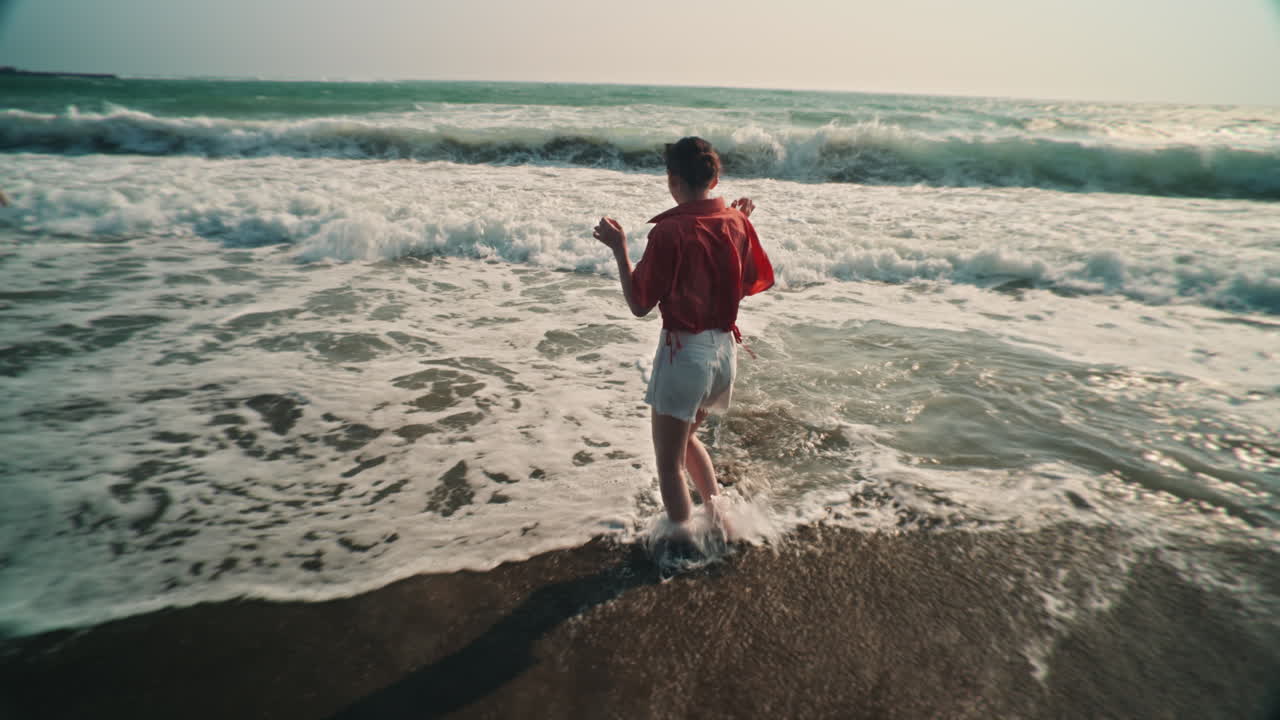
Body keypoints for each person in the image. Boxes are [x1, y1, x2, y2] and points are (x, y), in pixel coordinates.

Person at [593, 136, 774, 531]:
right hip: (724, 354)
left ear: (672, 178)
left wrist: (619, 248)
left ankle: (682, 542)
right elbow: (746, 282)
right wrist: (741, 223)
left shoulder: (670, 232)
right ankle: (718, 518)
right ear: (714, 178)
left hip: (685, 356)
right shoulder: (736, 222)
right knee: (688, 439)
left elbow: (640, 304)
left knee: (668, 462)